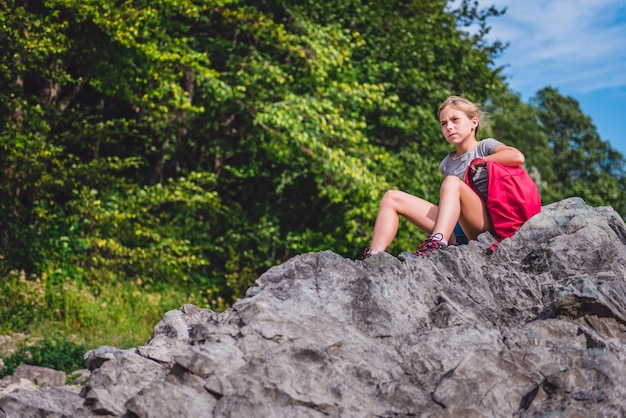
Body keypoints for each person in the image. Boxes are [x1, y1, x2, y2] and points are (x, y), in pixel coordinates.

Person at [362, 95, 526, 260]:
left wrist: (479, 162)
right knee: (392, 197)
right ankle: (374, 258)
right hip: (455, 231)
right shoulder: (446, 164)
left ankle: (436, 244)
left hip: (482, 228)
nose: (449, 127)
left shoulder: (485, 147)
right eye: (444, 123)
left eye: (455, 120)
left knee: (452, 182)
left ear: (473, 123)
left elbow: (516, 156)